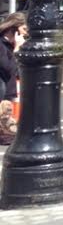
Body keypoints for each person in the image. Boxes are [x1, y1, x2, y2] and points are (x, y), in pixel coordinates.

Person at [0, 12, 27, 144]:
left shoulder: (14, 44)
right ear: (14, 29)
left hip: (8, 91)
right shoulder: (2, 45)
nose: (26, 33)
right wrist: (17, 48)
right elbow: (8, 68)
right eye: (24, 29)